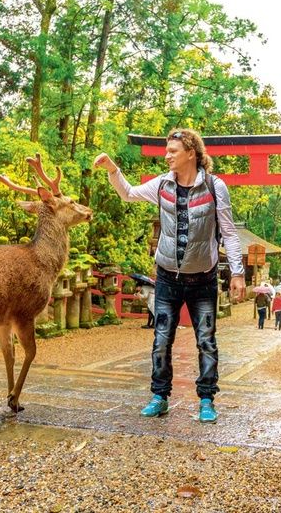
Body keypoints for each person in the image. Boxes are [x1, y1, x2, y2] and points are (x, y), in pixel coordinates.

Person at [93, 128, 245, 424]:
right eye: (166, 151)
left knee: (206, 340)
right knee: (162, 339)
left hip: (202, 278)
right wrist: (113, 169)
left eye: (173, 151)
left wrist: (237, 272)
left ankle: (206, 399)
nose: (167, 156)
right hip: (166, 278)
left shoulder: (215, 187)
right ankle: (159, 396)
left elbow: (228, 231)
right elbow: (128, 193)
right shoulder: (162, 185)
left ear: (191, 152)